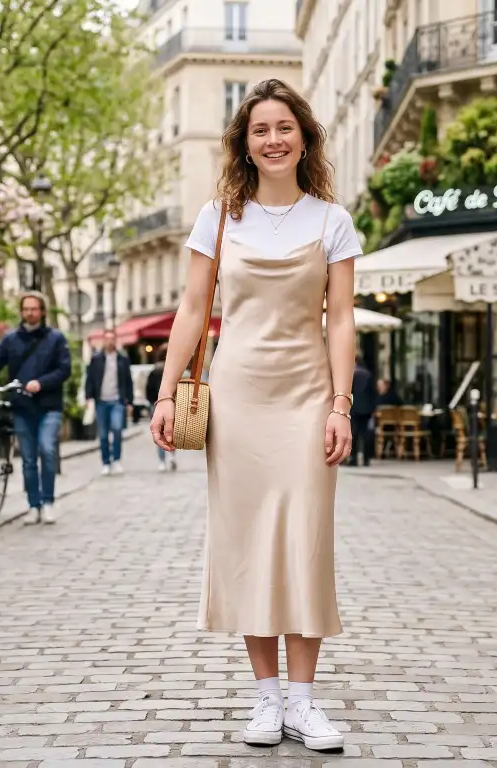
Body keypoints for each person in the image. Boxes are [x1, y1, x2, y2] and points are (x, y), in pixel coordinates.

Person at [149, 78, 361, 753]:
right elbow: (192, 308)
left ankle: (304, 701)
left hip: (305, 397)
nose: (273, 139)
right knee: (246, 544)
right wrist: (164, 390)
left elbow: (342, 320)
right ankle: (266, 699)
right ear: (245, 143)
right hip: (236, 399)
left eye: (284, 127)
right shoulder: (218, 217)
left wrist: (340, 403)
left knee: (305, 540)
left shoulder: (332, 221)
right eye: (260, 130)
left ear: (305, 137)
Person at [0, 293, 70, 524]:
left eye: (34, 308)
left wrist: (42, 383)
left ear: (42, 311)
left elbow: (64, 369)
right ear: (21, 312)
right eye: (26, 309)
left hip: (49, 406)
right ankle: (33, 505)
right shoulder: (11, 339)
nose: (29, 312)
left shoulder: (56, 339)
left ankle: (48, 502)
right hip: (22, 406)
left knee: (47, 450)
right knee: (28, 459)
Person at [84, 334, 133, 475]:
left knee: (117, 429)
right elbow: (90, 379)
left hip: (117, 400)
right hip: (101, 401)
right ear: (103, 341)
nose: (110, 341)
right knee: (103, 434)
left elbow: (128, 381)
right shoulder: (96, 358)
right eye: (107, 339)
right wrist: (88, 397)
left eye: (112, 339)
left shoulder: (122, 359)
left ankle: (116, 460)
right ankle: (106, 462)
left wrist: (129, 401)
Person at [143, 348, 177, 472]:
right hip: (171, 403)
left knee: (158, 433)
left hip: (156, 404)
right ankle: (172, 455)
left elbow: (148, 389)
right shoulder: (173, 372)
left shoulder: (154, 372)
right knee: (171, 431)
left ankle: (162, 460)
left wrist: (152, 401)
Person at [348, 356, 377, 467]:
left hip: (354, 407)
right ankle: (366, 459)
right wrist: (373, 408)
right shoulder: (367, 374)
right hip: (366, 408)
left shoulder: (352, 374)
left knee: (354, 433)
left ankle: (353, 459)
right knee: (365, 434)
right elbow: (372, 392)